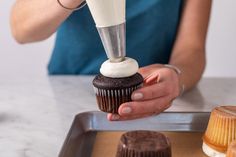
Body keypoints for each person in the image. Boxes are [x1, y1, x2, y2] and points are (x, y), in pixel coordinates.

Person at [10, 0, 212, 121]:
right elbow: (21, 30)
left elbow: (192, 49)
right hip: (65, 96)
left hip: (155, 99)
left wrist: (176, 75)